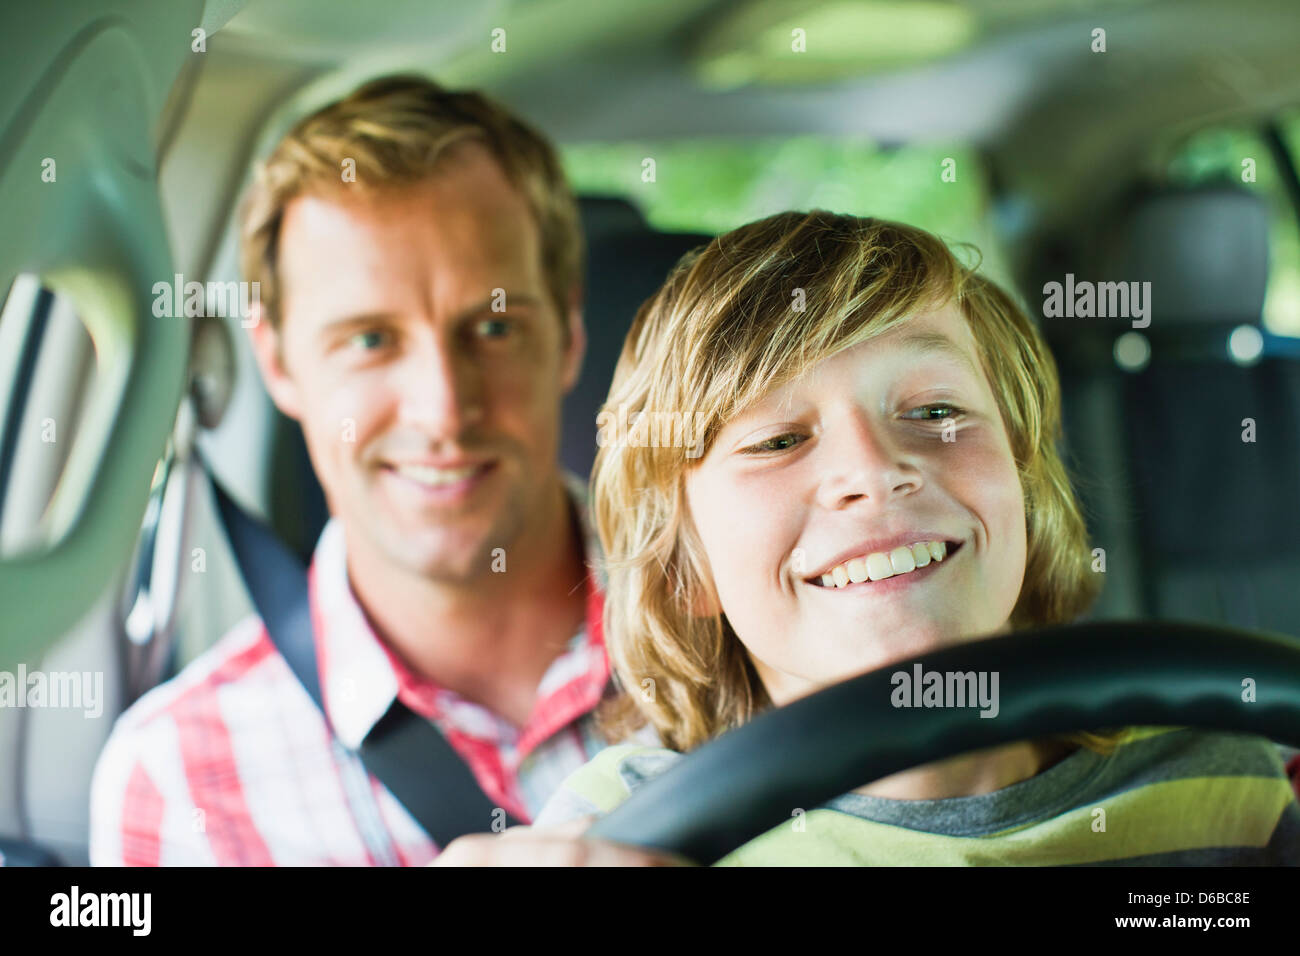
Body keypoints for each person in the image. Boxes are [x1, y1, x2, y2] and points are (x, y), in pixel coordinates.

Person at [436, 210, 1300, 866]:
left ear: (1027, 497)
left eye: (934, 412)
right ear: (685, 566)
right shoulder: (628, 835)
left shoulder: (1216, 774)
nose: (875, 471)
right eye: (777, 440)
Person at [89, 75, 648, 866]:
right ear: (276, 360)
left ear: (567, 335)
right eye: (369, 340)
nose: (443, 412)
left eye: (492, 326)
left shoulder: (761, 629)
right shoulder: (181, 780)